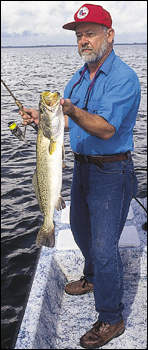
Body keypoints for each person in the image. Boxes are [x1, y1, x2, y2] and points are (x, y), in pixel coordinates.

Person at [20, 3, 141, 348]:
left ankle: (111, 318)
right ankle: (91, 278)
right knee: (84, 234)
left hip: (112, 172)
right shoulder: (77, 76)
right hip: (82, 169)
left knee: (104, 249)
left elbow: (104, 128)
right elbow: (66, 118)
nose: (83, 41)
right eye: (79, 36)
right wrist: (42, 117)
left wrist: (70, 109)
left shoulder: (124, 78)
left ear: (110, 35)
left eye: (89, 33)